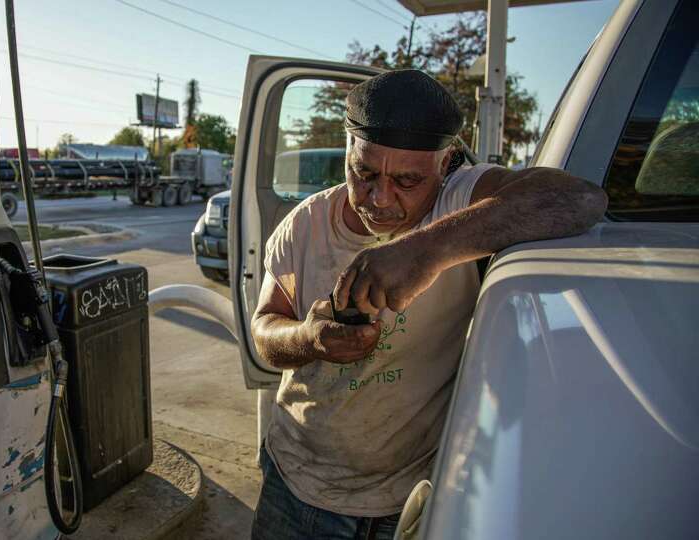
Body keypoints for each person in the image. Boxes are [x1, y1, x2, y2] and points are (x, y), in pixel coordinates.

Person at [250, 70, 607, 540]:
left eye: (407, 181)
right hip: (292, 482)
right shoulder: (304, 225)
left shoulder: (459, 201)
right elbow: (264, 333)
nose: (380, 198)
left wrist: (424, 252)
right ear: (346, 153)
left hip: (407, 503)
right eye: (365, 173)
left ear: (445, 165)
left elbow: (579, 200)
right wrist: (308, 338)